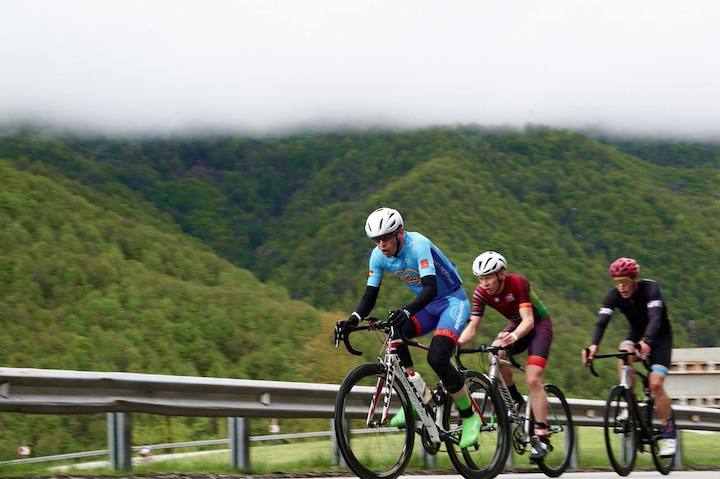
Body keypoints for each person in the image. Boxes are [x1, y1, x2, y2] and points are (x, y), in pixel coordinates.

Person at [335, 207, 479, 448]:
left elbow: (430, 288)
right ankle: (419, 396)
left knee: (437, 357)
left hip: (453, 302)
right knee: (395, 332)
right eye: (376, 240)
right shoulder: (378, 257)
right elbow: (370, 296)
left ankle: (469, 417)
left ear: (400, 233)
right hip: (428, 307)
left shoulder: (418, 244)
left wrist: (406, 311)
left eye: (385, 238)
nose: (381, 245)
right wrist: (353, 319)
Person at [458, 251, 554, 461]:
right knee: (495, 352)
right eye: (480, 279)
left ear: (501, 274)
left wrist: (513, 336)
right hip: (517, 326)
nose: (484, 283)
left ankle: (542, 435)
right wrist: (456, 343)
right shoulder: (480, 293)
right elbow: (473, 326)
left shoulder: (517, 283)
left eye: (488, 277)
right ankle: (514, 399)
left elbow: (528, 320)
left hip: (539, 327)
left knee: (532, 378)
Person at [581, 257, 676, 457]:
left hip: (660, 339)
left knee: (655, 384)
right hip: (636, 335)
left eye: (624, 281)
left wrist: (647, 341)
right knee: (624, 350)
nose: (621, 287)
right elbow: (601, 323)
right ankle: (628, 403)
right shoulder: (613, 296)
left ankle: (669, 434)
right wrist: (592, 347)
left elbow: (656, 319)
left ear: (634, 279)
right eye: (617, 282)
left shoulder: (651, 289)